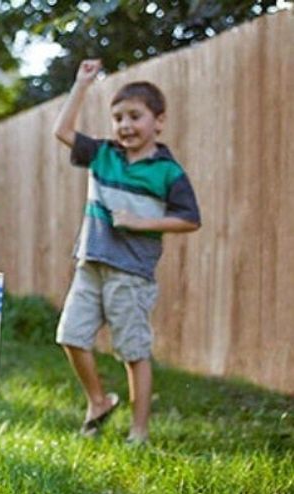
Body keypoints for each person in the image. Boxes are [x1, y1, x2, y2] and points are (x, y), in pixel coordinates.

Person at [52, 59, 201, 444]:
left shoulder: (168, 172)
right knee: (70, 336)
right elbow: (62, 130)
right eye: (118, 117)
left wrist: (141, 221)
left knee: (133, 352)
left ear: (159, 121)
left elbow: (190, 219)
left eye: (135, 116)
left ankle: (139, 432)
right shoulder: (104, 154)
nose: (125, 125)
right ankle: (98, 401)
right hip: (91, 264)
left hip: (131, 274)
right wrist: (82, 84)